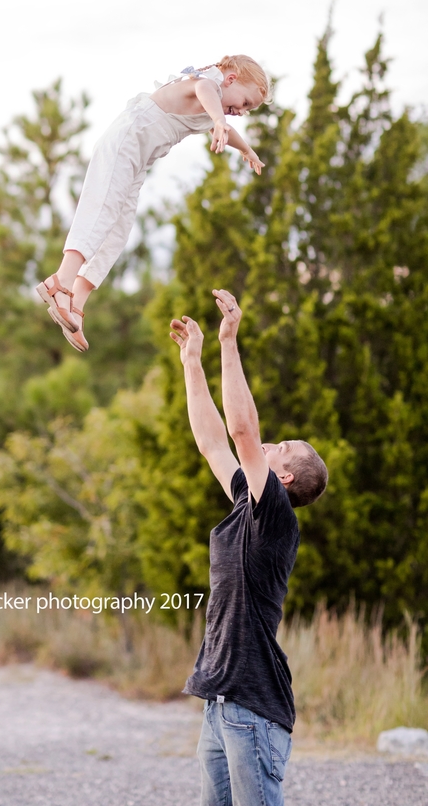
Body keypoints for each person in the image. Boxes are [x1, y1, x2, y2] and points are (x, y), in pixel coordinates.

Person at [169, 289, 328, 806]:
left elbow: (240, 430)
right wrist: (192, 361)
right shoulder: (245, 501)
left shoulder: (275, 517)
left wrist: (228, 341)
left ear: (284, 476)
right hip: (220, 704)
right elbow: (213, 442)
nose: (268, 442)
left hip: (252, 709)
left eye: (279, 447)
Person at [36, 56, 270, 351]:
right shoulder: (207, 82)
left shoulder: (213, 108)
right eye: (246, 103)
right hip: (126, 140)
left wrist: (246, 149)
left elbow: (224, 126)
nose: (242, 112)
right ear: (232, 79)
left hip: (137, 161)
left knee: (117, 232)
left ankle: (76, 301)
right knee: (101, 211)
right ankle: (60, 282)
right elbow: (206, 92)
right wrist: (220, 120)